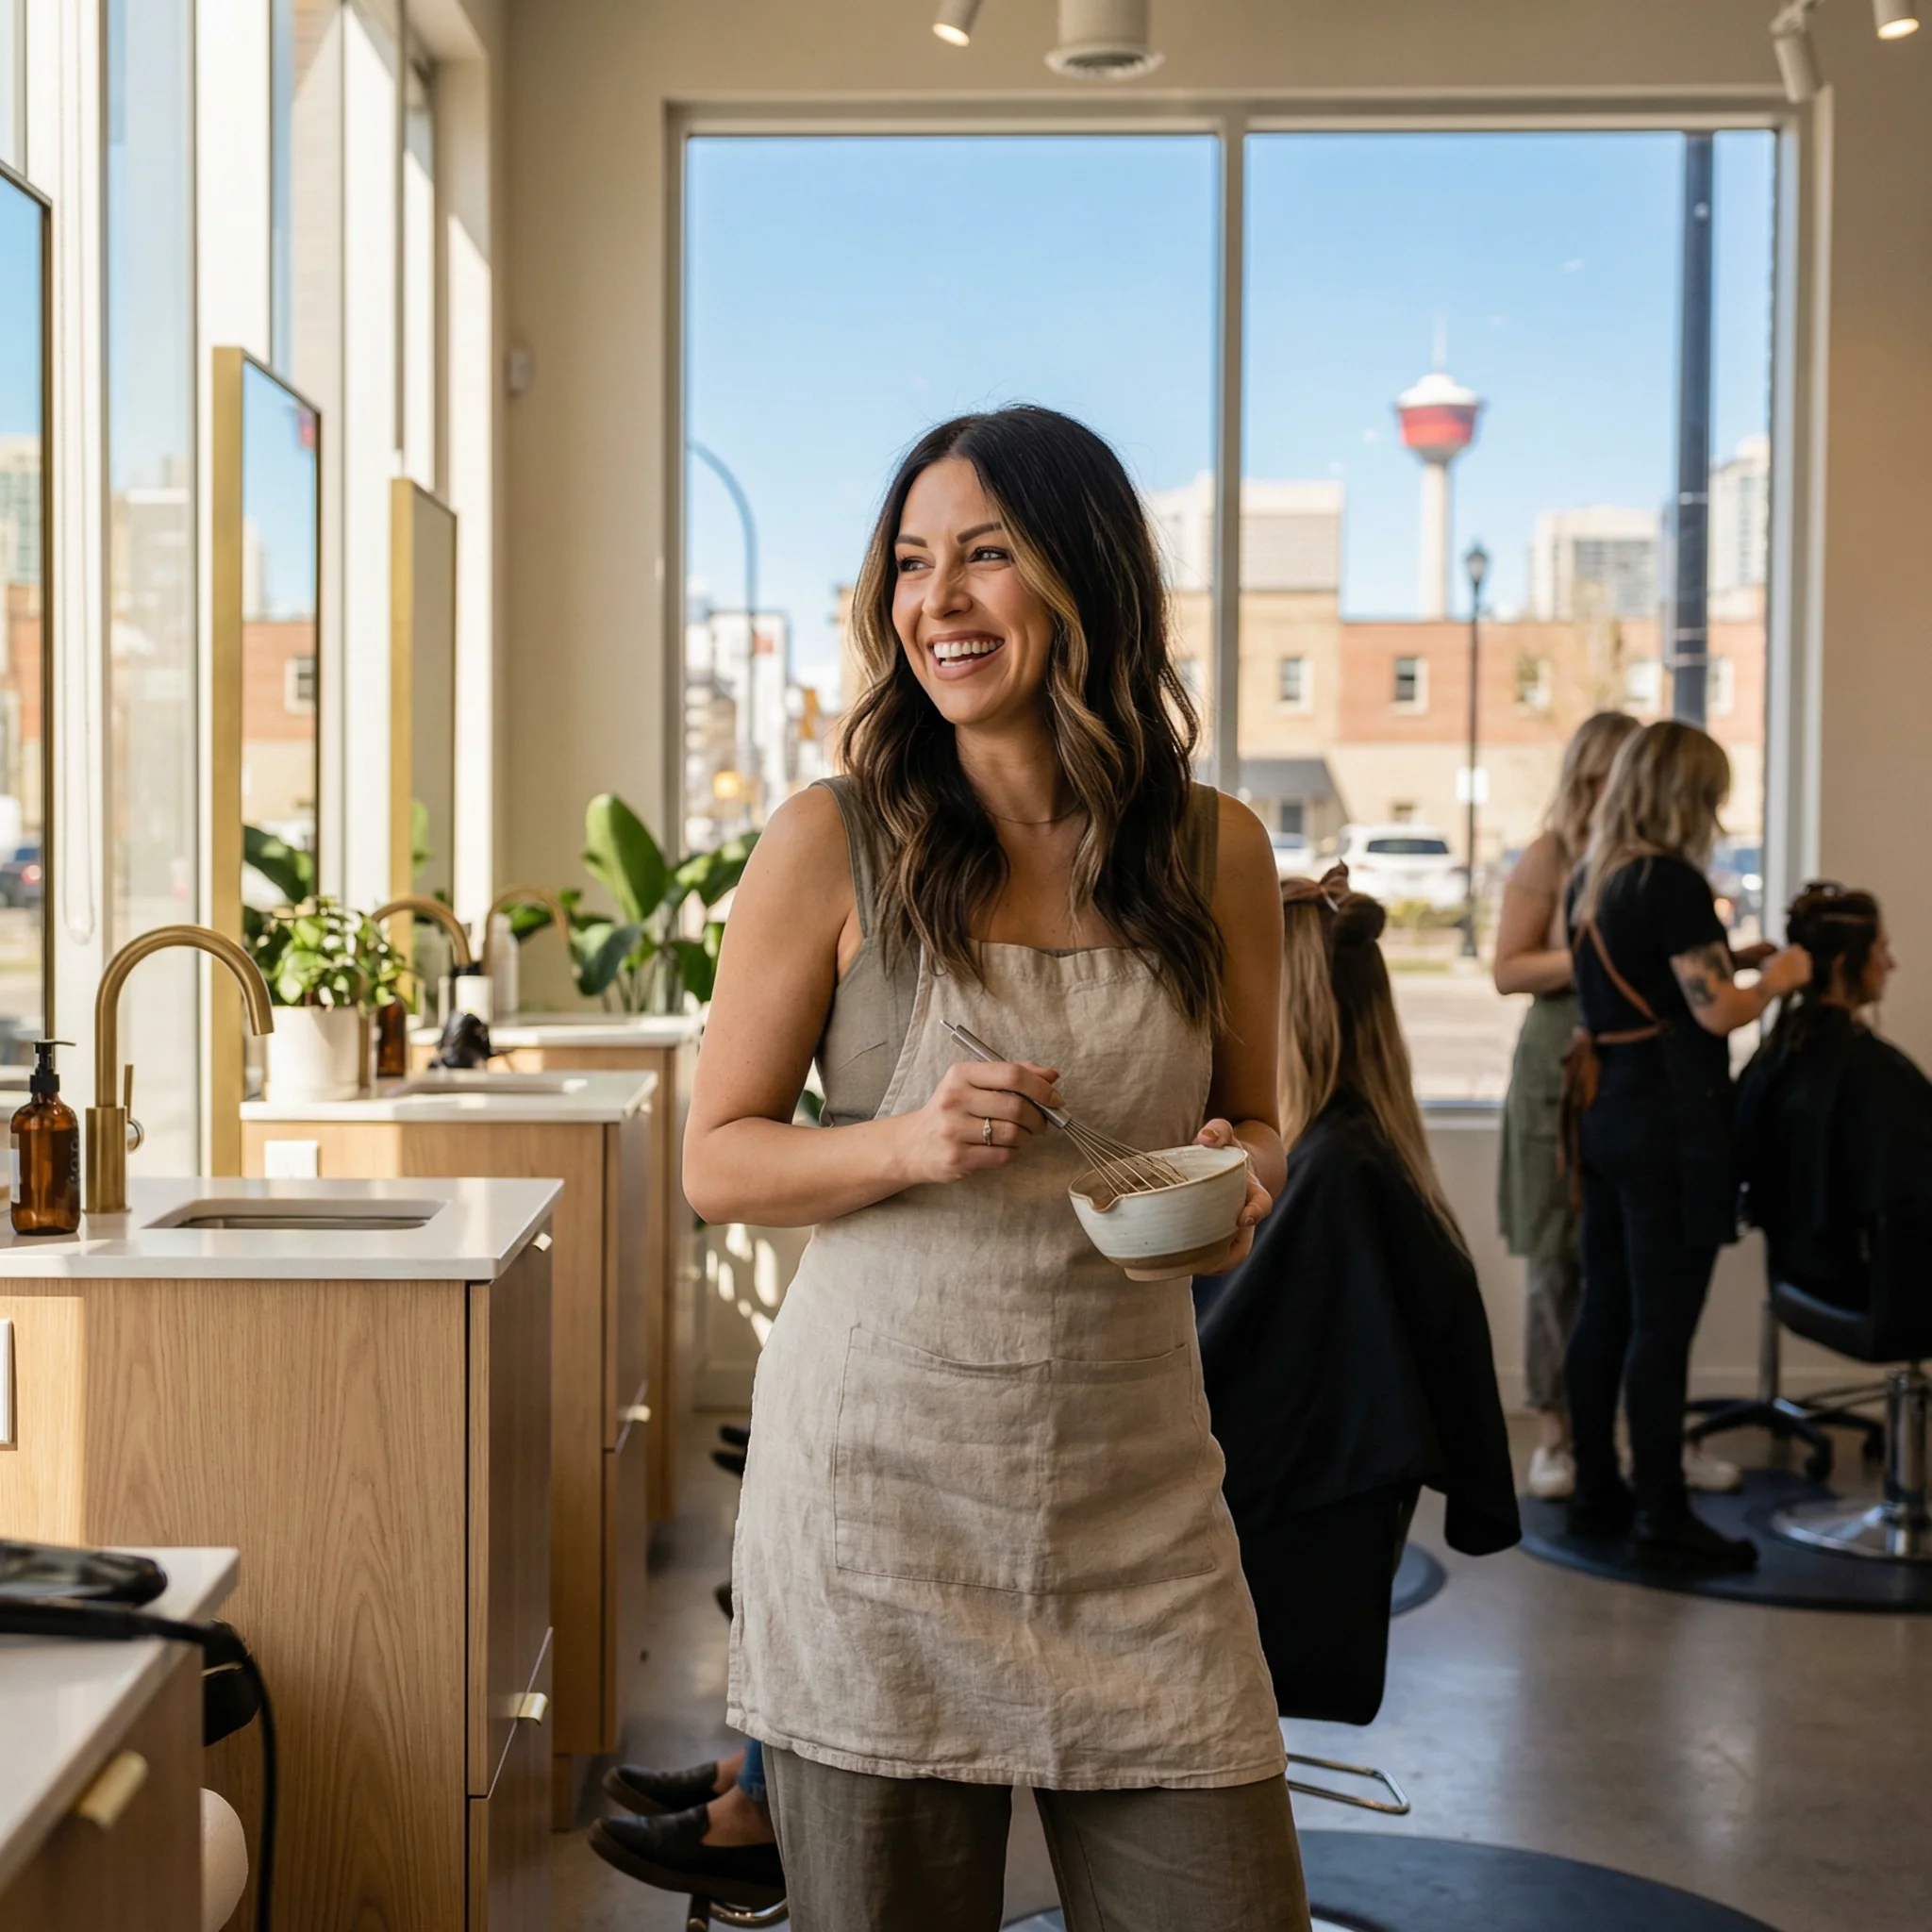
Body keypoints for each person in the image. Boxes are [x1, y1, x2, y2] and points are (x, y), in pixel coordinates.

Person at [676, 407, 1307, 1932]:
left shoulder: (1212, 849)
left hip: (1133, 1488)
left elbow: (1256, 1113)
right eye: (908, 562)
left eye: (983, 555)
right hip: (877, 1504)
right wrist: (908, 1138)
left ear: (1085, 578)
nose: (934, 600)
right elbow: (715, 1159)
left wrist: (1239, 1182)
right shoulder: (831, 840)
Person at [1199, 871, 1519, 1726]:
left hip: (1260, 1545)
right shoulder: (1357, 1156)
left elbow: (1226, 1378)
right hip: (1316, 1536)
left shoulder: (1334, 1176)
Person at [1561, 721, 1811, 1574]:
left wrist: (1731, 956)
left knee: (1606, 1311)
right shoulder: (1669, 880)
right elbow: (1715, 1011)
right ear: (1688, 796)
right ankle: (1663, 1512)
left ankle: (1599, 1490)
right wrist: (1777, 978)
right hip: (1668, 1122)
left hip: (1606, 1115)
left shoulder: (1597, 876)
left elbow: (1653, 980)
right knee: (1662, 1327)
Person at [1493, 710, 1639, 1500]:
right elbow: (1509, 968)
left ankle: (1620, 1432)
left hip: (1625, 1074)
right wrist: (1600, 952)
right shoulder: (1550, 857)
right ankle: (1555, 1433)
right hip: (1556, 1073)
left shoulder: (1648, 859)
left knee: (1618, 1262)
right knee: (1556, 1260)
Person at [1738, 881, 1932, 1287]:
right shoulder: (1878, 1072)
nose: (1891, 964)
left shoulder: (1775, 1058)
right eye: (1881, 950)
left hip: (1795, 1275)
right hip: (1871, 1287)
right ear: (1846, 964)